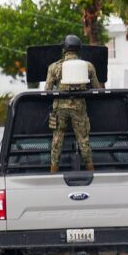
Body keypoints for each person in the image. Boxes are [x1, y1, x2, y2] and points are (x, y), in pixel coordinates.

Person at [45, 35, 102, 172]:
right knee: (83, 140)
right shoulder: (88, 66)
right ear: (79, 49)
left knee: (57, 140)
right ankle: (90, 170)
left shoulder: (55, 67)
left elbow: (47, 90)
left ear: (64, 48)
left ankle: (53, 172)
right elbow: (97, 88)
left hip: (60, 109)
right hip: (79, 108)